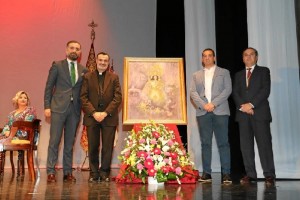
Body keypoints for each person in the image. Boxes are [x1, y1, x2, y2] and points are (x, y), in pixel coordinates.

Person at [44, 40, 87, 182]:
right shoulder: (57, 65)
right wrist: (47, 107)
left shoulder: (83, 70)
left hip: (74, 111)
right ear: (66, 50)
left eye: (77, 48)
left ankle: (67, 172)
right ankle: (51, 171)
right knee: (54, 141)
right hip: (57, 108)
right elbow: (49, 87)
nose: (74, 50)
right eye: (72, 48)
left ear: (80, 52)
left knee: (69, 143)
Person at [232, 47, 275, 186]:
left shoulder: (264, 71)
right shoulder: (238, 75)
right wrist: (244, 107)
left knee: (264, 145)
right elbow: (235, 93)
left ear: (256, 57)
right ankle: (250, 174)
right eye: (245, 55)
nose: (248, 57)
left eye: (251, 55)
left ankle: (269, 175)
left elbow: (265, 90)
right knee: (246, 147)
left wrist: (251, 105)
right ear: (243, 58)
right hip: (243, 115)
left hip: (260, 114)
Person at [190, 48, 232, 184]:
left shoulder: (224, 72)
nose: (207, 58)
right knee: (205, 143)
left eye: (209, 56)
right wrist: (204, 105)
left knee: (223, 143)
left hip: (220, 111)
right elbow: (193, 93)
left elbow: (227, 90)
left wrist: (213, 104)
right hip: (203, 112)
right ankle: (206, 173)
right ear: (202, 59)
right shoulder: (196, 75)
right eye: (204, 56)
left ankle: (226, 174)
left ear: (214, 58)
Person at [80, 52, 122, 182]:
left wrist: (104, 113)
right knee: (92, 146)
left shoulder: (114, 77)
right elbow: (83, 97)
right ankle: (94, 173)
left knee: (107, 147)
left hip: (108, 117)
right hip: (92, 117)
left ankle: (104, 173)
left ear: (108, 63)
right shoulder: (87, 77)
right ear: (96, 61)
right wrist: (94, 113)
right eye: (100, 60)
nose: (103, 62)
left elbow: (118, 97)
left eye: (105, 60)